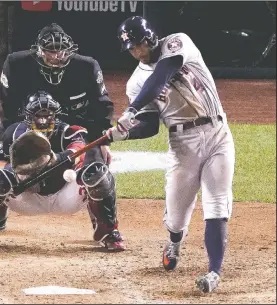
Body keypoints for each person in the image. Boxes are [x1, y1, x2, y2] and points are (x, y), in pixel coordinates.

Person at [106, 16, 235, 293]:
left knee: (217, 206)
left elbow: (162, 74)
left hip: (217, 134)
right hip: (182, 143)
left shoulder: (177, 43)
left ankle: (214, 272)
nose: (136, 51)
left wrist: (130, 111)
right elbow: (150, 126)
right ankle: (174, 242)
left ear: (151, 38)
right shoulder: (135, 83)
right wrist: (123, 133)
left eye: (139, 44)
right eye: (131, 47)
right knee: (177, 217)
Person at [0, 23, 125, 250]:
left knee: (96, 166)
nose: (57, 56)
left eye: (61, 50)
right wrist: (6, 140)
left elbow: (102, 104)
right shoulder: (16, 64)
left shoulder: (87, 66)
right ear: (38, 51)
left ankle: (106, 226)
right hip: (32, 126)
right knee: (5, 167)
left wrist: (102, 141)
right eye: (50, 51)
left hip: (78, 128)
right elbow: (8, 107)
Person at [0, 91, 125, 251]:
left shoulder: (69, 131)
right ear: (28, 116)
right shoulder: (13, 133)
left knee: (98, 173)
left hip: (65, 197)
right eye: (38, 116)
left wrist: (53, 160)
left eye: (47, 115)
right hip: (27, 197)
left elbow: (78, 151)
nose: (43, 121)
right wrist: (18, 172)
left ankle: (107, 231)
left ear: (55, 116)